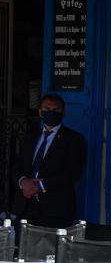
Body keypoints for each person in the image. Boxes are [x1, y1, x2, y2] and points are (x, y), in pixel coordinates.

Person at [13, 93, 86, 228]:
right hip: (25, 206)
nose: (51, 112)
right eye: (47, 109)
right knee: (22, 247)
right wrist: (23, 182)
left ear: (63, 113)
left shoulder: (74, 139)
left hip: (55, 210)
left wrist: (39, 186)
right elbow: (17, 165)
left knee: (52, 249)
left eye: (55, 110)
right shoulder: (30, 136)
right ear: (40, 112)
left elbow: (73, 172)